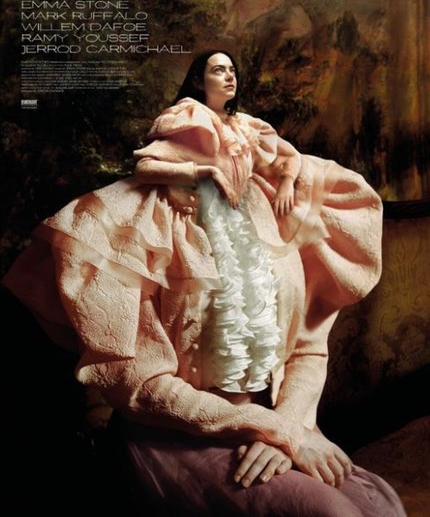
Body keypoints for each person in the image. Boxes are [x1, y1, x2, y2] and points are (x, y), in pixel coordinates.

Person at [4, 50, 406, 516]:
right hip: (177, 436)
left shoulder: (272, 210)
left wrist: (290, 425)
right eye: (218, 70)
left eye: (233, 71)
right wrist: (270, 429)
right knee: (333, 513)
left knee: (378, 509)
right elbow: (138, 385)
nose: (229, 78)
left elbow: (307, 350)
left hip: (277, 423)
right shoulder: (133, 224)